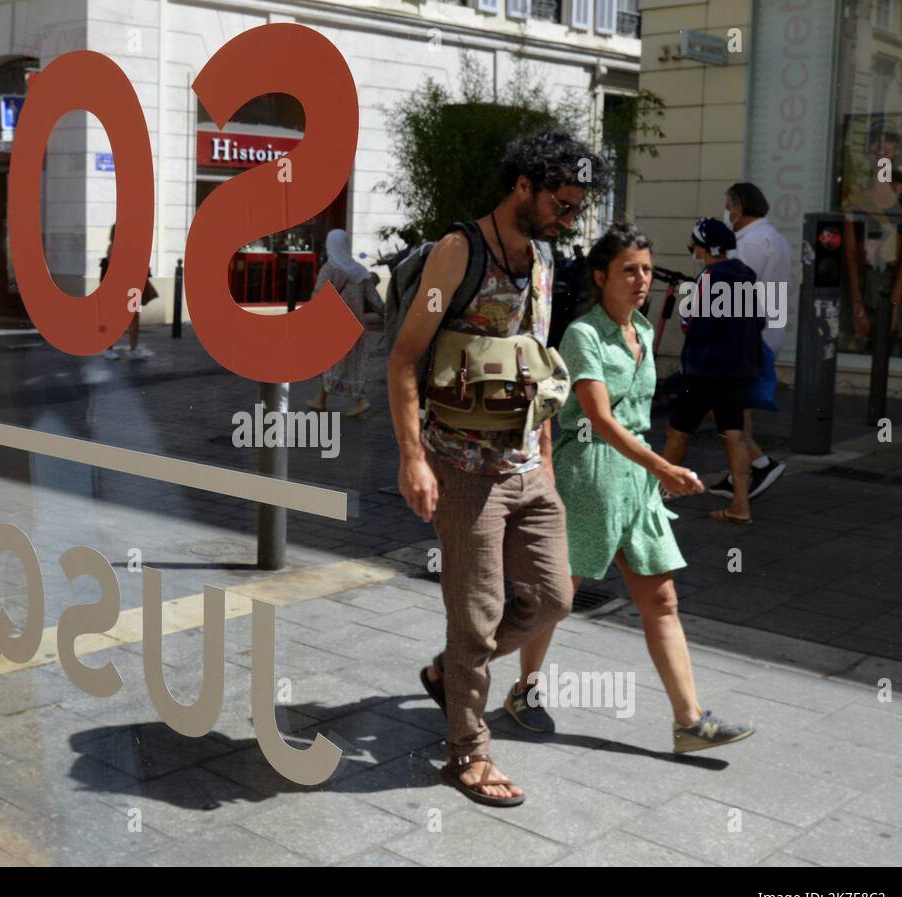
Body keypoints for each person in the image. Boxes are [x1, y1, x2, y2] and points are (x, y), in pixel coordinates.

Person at [389, 127, 602, 807]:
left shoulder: (542, 258)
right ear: (523, 186)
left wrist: (542, 454)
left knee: (553, 600)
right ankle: (467, 754)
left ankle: (449, 675)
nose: (569, 219)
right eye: (561, 205)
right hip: (462, 468)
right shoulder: (460, 253)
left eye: (576, 209)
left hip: (526, 465)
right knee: (476, 620)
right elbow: (403, 359)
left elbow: (533, 365)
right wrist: (413, 460)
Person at [538, 222, 755, 753]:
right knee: (554, 601)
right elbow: (599, 418)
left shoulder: (642, 331)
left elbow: (631, 420)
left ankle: (689, 721)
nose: (642, 280)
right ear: (600, 276)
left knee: (662, 600)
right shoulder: (583, 334)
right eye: (629, 271)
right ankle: (494, 681)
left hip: (635, 480)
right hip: (590, 472)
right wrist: (663, 467)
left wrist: (651, 471)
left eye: (648, 271)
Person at [661, 218, 764, 524]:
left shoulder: (707, 278)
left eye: (694, 245)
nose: (692, 250)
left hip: (705, 370)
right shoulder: (746, 277)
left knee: (677, 431)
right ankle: (740, 506)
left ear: (703, 247)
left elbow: (687, 323)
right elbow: (759, 321)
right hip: (738, 370)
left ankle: (658, 495)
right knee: (734, 434)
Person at [709, 183, 792, 502]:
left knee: (725, 409)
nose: (727, 211)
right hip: (763, 333)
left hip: (747, 336)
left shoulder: (752, 242)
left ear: (740, 208)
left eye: (729, 205)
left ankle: (759, 464)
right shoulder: (773, 238)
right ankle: (742, 471)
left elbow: (734, 289)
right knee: (736, 408)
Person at [842, 121, 902, 359]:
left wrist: (895, 307)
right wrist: (857, 305)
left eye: (888, 140)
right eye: (875, 140)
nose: (881, 146)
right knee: (856, 352)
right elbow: (849, 253)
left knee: (895, 351)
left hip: (895, 282)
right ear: (868, 149)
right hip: (864, 283)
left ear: (896, 149)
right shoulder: (856, 194)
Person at [310, 229, 385, 416]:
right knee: (351, 365)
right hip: (356, 325)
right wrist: (390, 317)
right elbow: (375, 301)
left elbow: (318, 296)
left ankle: (360, 401)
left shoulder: (329, 269)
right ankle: (321, 399)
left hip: (334, 325)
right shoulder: (360, 271)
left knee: (327, 361)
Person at [99, 223, 158, 360]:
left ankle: (133, 348)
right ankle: (108, 348)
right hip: (118, 289)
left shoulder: (129, 247)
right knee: (115, 319)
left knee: (134, 317)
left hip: (131, 288)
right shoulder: (113, 247)